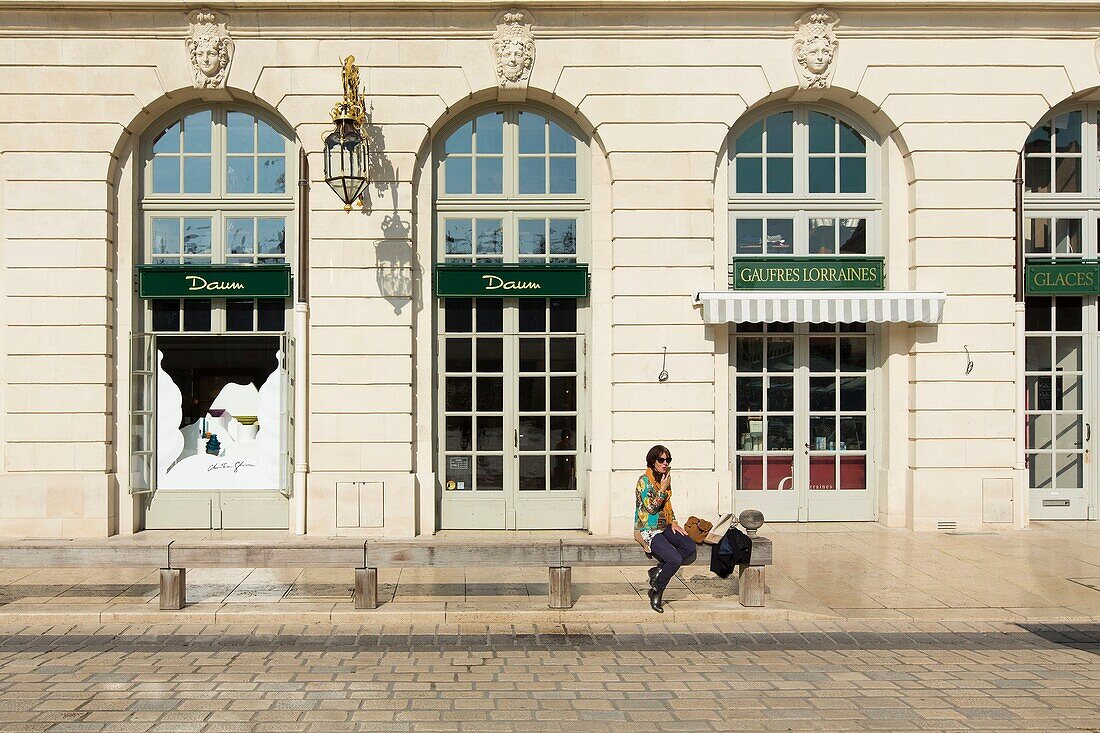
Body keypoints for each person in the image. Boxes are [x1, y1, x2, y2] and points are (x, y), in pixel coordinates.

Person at [634, 444, 695, 613]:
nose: (665, 463)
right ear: (652, 461)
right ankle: (657, 590)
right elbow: (651, 509)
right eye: (661, 460)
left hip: (664, 525)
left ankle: (658, 570)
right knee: (674, 559)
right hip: (648, 528)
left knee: (689, 546)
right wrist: (661, 488)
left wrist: (673, 521)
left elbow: (667, 504)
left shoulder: (665, 478)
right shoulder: (643, 481)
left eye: (668, 460)